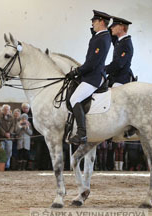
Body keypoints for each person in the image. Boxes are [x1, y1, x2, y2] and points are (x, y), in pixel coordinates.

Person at [66, 10, 112, 145]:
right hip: (92, 75)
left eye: (95, 21)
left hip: (94, 76)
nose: (92, 23)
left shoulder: (102, 38)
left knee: (75, 98)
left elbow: (92, 63)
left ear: (102, 22)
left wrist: (77, 71)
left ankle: (81, 134)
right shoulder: (100, 36)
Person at [106, 16, 134, 87]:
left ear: (121, 27)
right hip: (114, 77)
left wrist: (102, 69)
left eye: (114, 26)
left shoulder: (126, 44)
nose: (111, 28)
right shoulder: (119, 40)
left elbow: (118, 64)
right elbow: (108, 31)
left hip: (121, 80)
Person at [0, 104, 14, 170]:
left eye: (7, 109)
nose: (6, 110)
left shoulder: (12, 117)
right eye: (5, 109)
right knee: (2, 151)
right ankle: (1, 165)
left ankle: (7, 166)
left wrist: (9, 133)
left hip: (9, 137)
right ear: (2, 110)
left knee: (9, 152)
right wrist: (4, 133)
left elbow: (13, 126)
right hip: (1, 137)